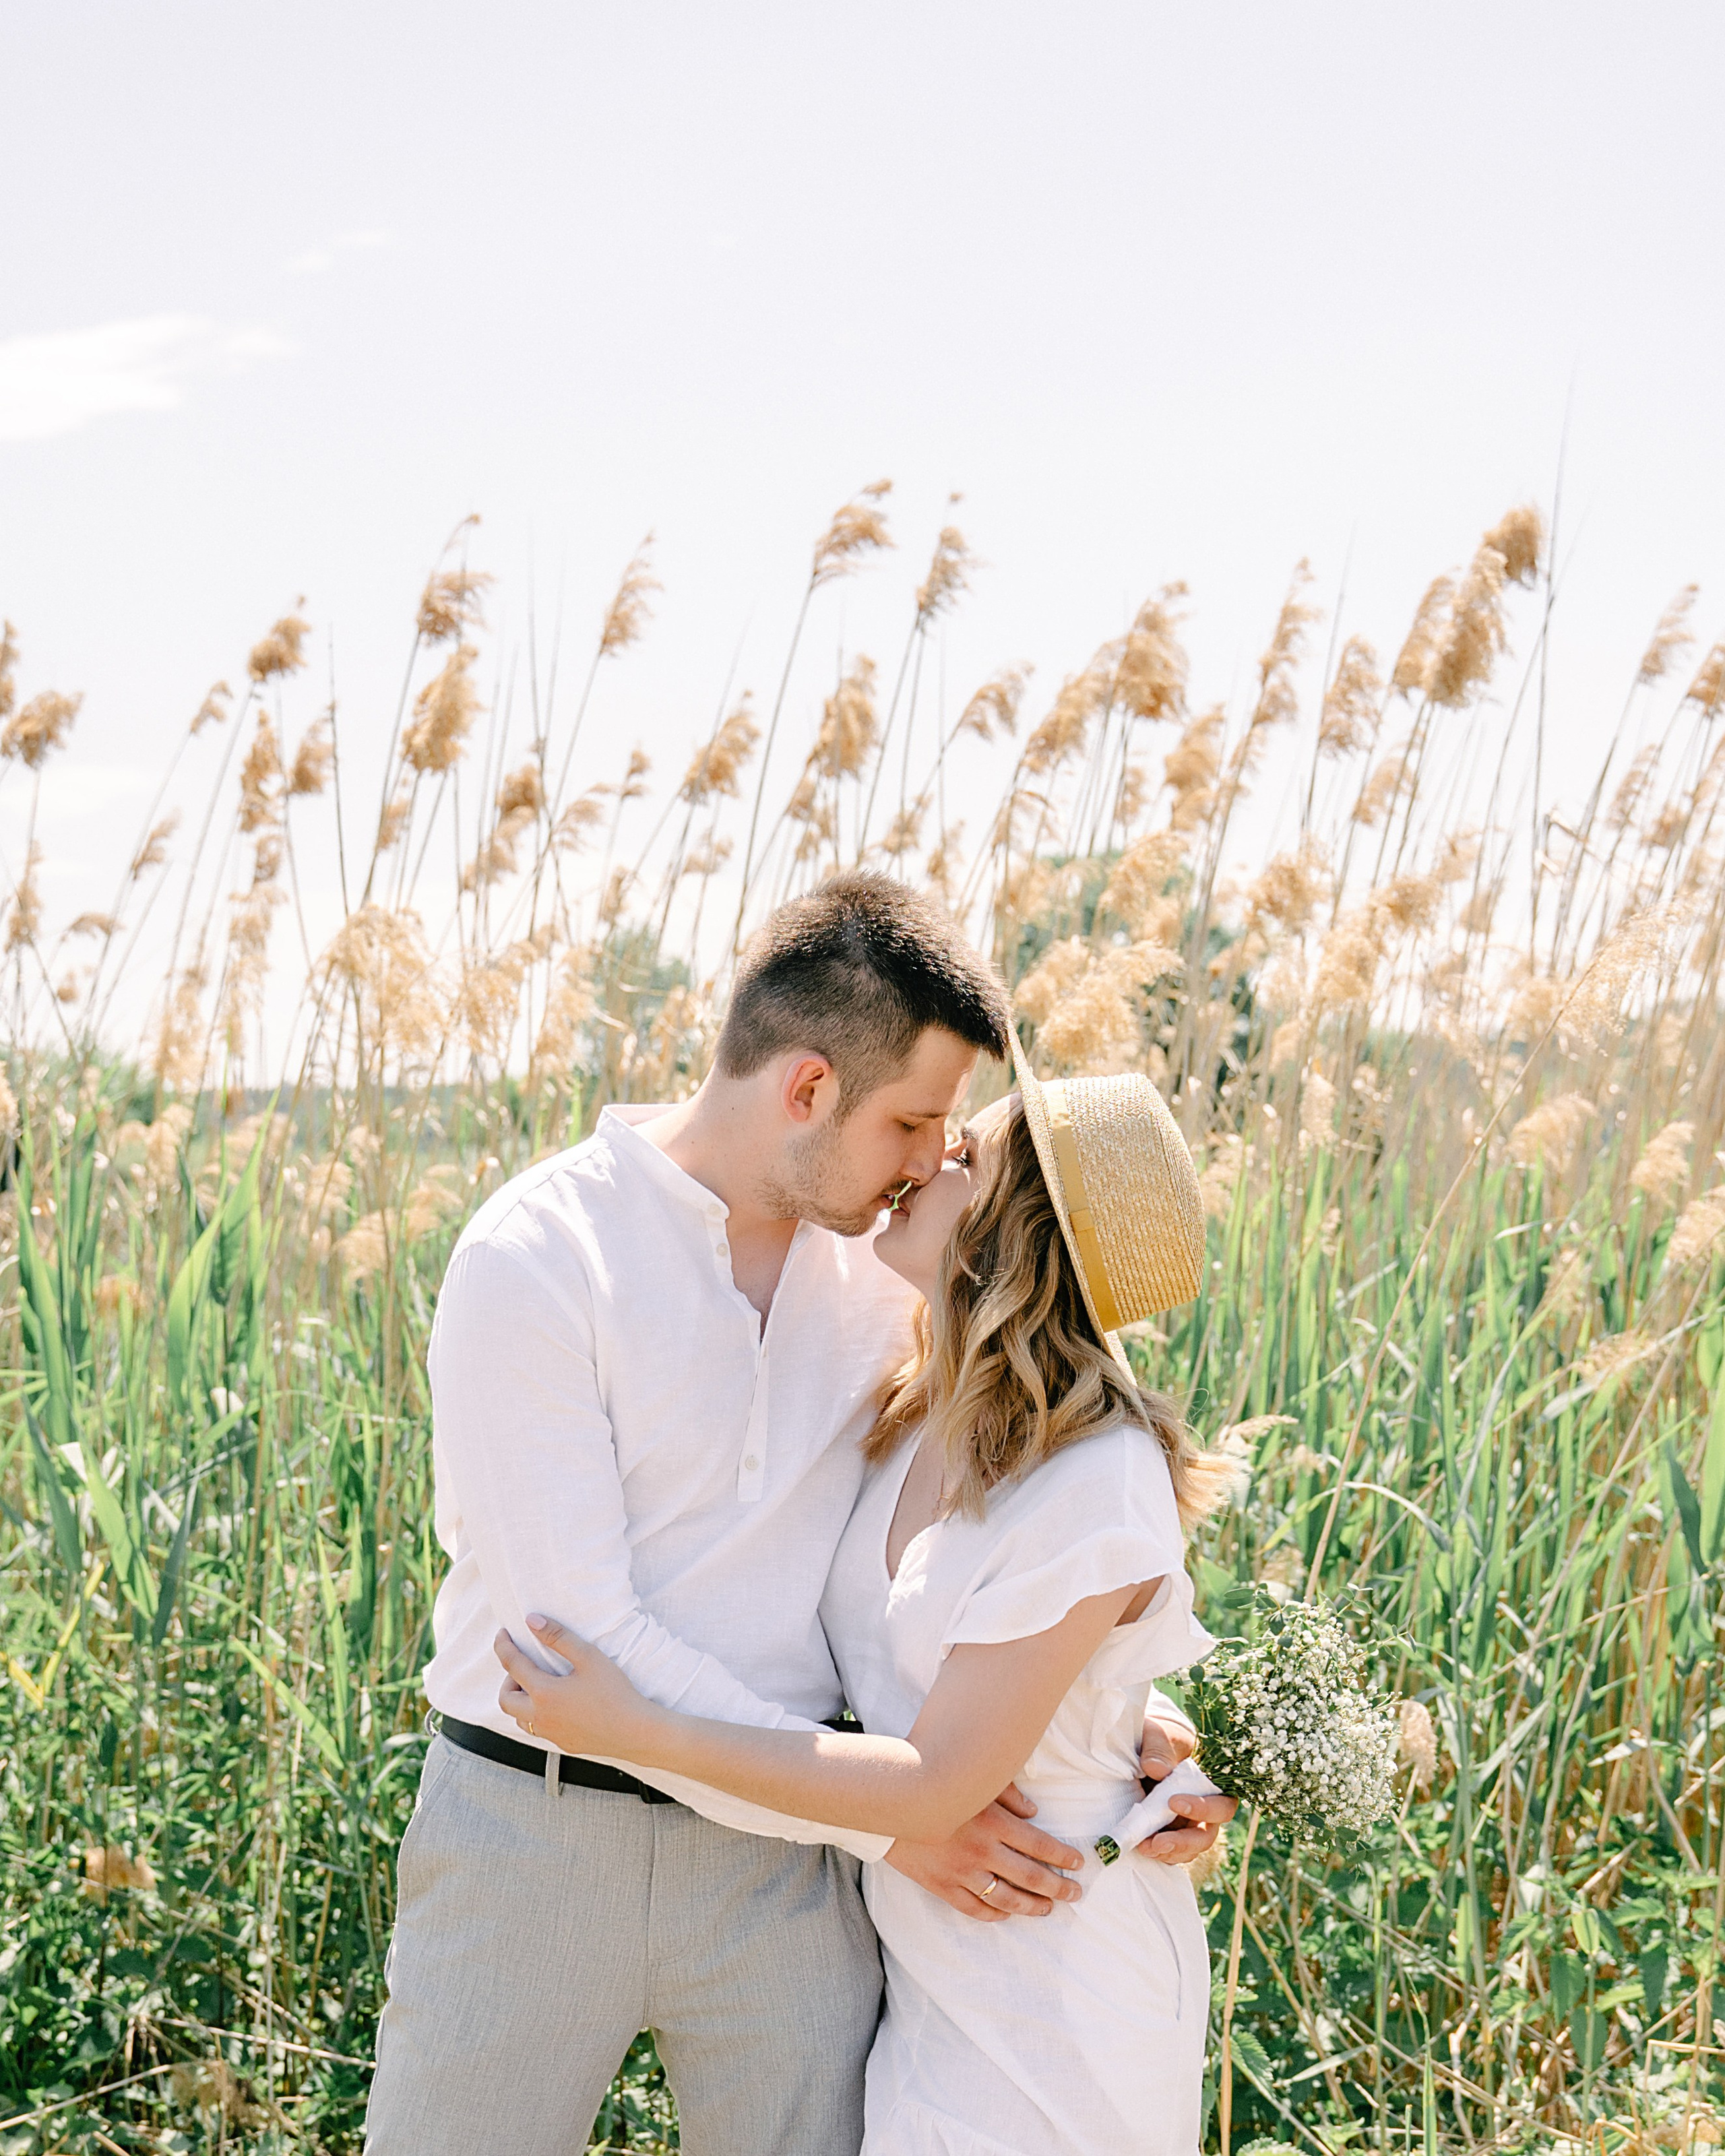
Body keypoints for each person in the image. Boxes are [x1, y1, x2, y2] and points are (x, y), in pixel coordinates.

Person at [365, 872, 1230, 2156]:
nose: (936, 1157)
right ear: (810, 1089)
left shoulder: (891, 1276)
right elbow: (573, 1643)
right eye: (917, 1121)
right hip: (538, 1838)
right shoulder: (540, 1258)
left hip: (790, 1882)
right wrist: (899, 1813)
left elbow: (1017, 1555)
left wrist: (1107, 1728)